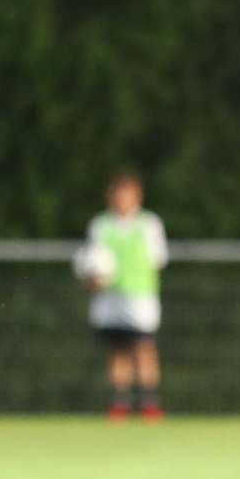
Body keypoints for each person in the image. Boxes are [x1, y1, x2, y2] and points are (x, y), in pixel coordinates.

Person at [80, 169, 168, 421]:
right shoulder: (101, 225)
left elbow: (158, 261)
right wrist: (94, 278)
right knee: (117, 350)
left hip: (140, 298)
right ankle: (119, 403)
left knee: (144, 348)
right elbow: (92, 262)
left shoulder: (148, 224)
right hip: (110, 299)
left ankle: (150, 402)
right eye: (118, 194)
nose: (122, 199)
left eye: (127, 194)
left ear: (138, 196)